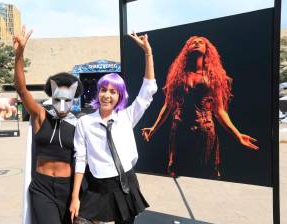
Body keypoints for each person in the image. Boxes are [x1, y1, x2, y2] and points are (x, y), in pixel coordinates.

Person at [69, 32, 157, 224]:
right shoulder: (84, 122)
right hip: (98, 186)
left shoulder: (126, 117)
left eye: (113, 91)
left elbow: (148, 91)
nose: (107, 95)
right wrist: (75, 197)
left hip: (126, 182)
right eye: (103, 90)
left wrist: (148, 53)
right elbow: (80, 160)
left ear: (120, 96)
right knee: (79, 220)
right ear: (98, 92)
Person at [141, 36, 259, 178]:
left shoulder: (214, 76)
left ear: (206, 49)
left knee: (205, 172)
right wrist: (154, 128)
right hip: (180, 129)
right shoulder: (177, 76)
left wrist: (237, 134)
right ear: (187, 49)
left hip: (205, 130)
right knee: (178, 171)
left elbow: (219, 110)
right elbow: (168, 106)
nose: (196, 43)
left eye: (200, 42)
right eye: (192, 43)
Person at [13, 26, 83, 224]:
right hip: (42, 188)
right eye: (57, 98)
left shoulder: (79, 124)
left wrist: (78, 195)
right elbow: (21, 89)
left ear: (74, 98)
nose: (62, 105)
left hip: (68, 188)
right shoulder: (40, 115)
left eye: (67, 100)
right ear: (51, 96)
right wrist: (19, 54)